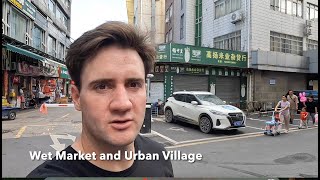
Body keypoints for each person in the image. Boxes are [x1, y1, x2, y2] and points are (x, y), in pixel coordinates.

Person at [27, 21, 174, 177]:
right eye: (102, 86)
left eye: (133, 84)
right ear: (77, 97)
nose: (123, 104)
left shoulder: (159, 157)